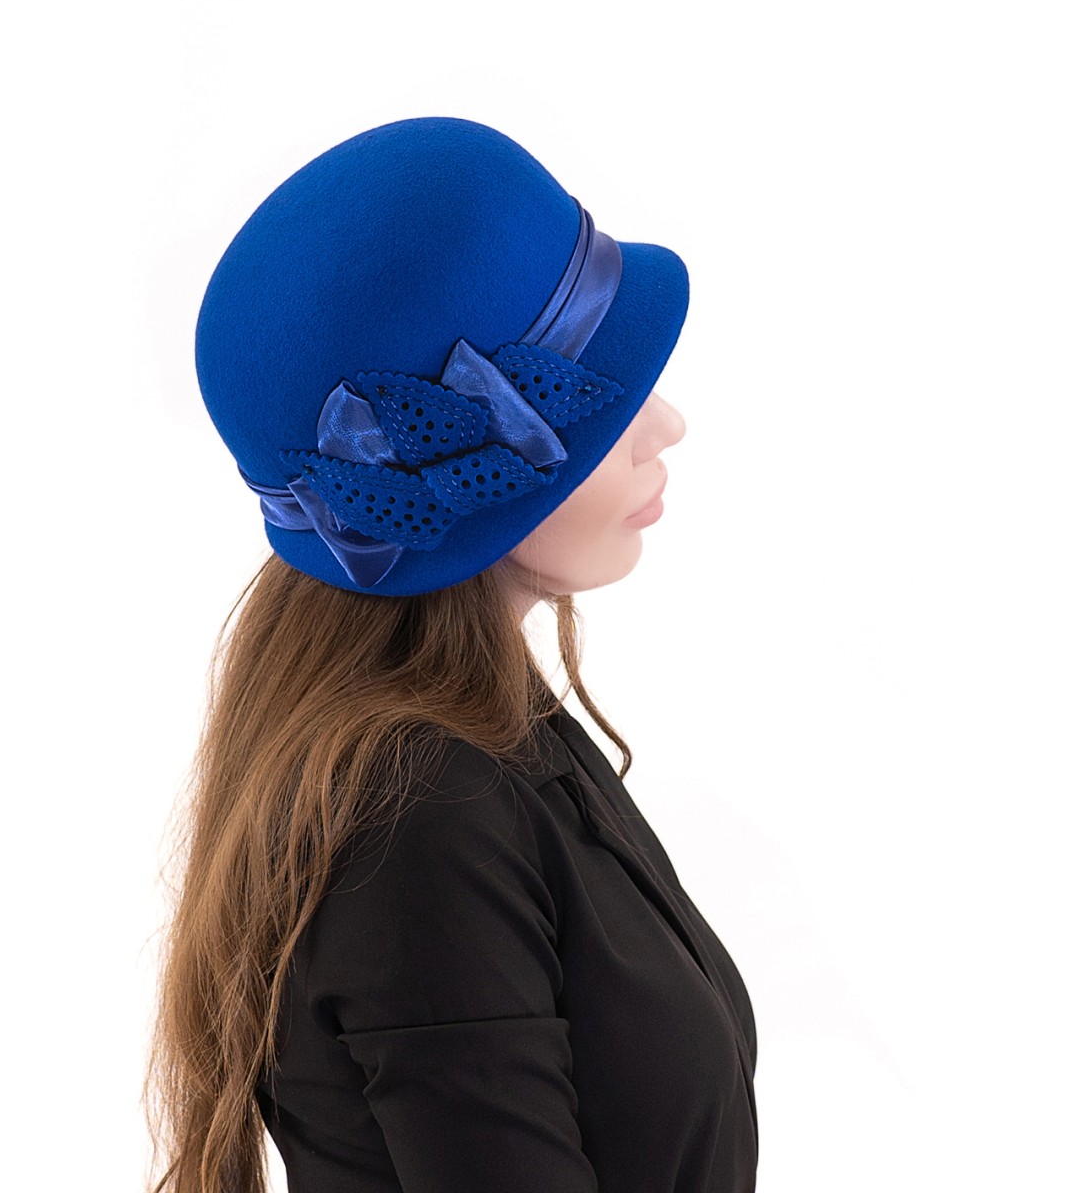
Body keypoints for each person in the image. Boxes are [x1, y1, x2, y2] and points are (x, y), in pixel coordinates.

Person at [145, 117, 758, 1193]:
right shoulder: (423, 815)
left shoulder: (488, 733)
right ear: (487, 454)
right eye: (602, 400)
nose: (664, 424)